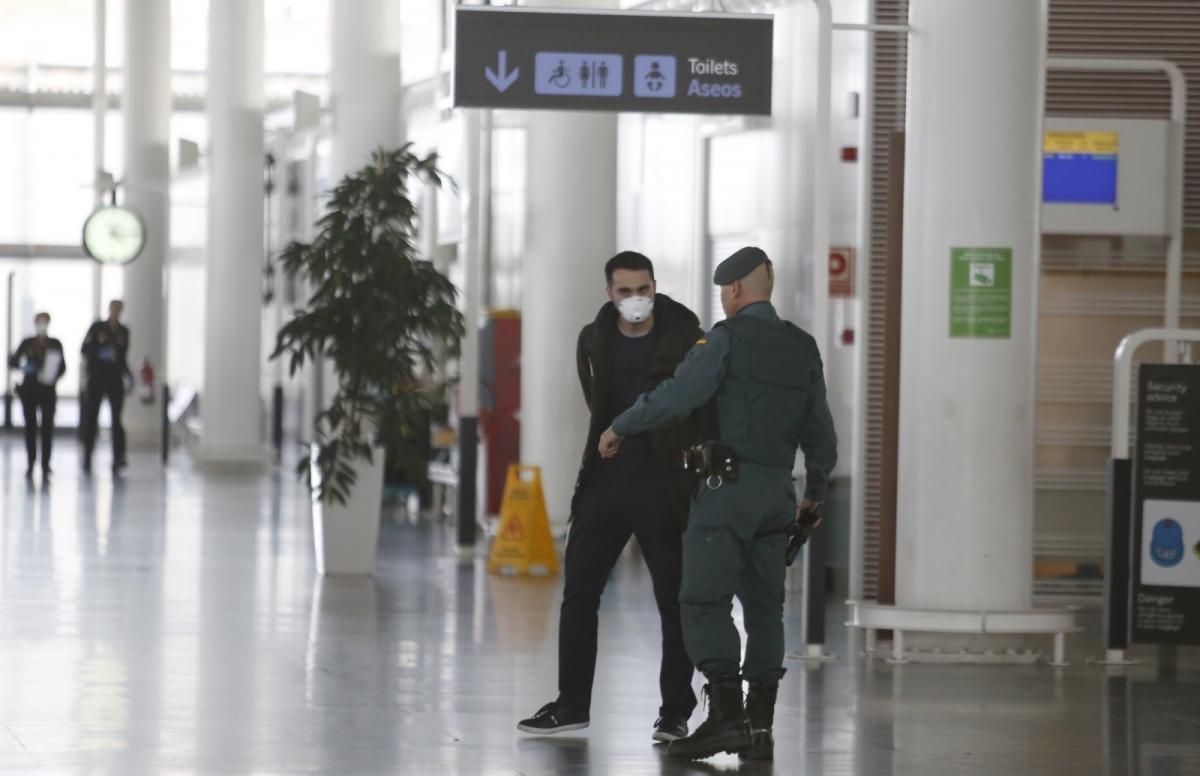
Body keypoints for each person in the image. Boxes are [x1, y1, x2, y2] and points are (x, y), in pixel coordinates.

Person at [599, 246, 837, 762]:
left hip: (726, 493)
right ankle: (760, 728)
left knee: (702, 600)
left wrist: (620, 425)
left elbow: (677, 396)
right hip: (779, 495)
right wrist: (814, 494)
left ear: (734, 291)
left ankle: (726, 716)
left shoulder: (725, 340)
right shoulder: (803, 347)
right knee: (765, 609)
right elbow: (821, 432)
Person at [518, 251, 714, 743]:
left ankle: (674, 712)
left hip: (663, 485)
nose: (635, 300)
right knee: (579, 594)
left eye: (643, 289)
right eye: (625, 291)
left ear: (655, 286)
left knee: (673, 600)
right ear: (609, 292)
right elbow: (596, 402)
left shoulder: (685, 338)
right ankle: (571, 704)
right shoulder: (594, 338)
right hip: (605, 481)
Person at [8, 312, 66, 480]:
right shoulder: (27, 343)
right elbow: (13, 362)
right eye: (39, 322)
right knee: (30, 427)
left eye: (44, 322)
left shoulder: (55, 344)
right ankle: (31, 462)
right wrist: (24, 366)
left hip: (47, 391)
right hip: (30, 390)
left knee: (47, 427)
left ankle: (46, 464)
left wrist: (51, 375)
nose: (42, 324)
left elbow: (62, 367)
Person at [81, 300, 132, 475]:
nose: (116, 312)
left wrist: (129, 375)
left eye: (119, 310)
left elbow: (123, 357)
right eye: (113, 309)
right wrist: (99, 354)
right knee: (91, 417)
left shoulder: (124, 331)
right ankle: (87, 455)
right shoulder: (97, 328)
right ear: (109, 309)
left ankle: (118, 457)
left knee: (116, 419)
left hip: (115, 379)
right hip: (96, 378)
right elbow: (85, 349)